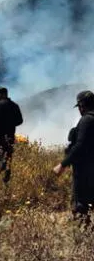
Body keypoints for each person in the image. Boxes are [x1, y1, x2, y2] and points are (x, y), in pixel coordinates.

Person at [54, 90, 94, 223]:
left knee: (81, 202)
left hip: (85, 169)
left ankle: (82, 234)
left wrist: (63, 164)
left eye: (80, 107)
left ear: (82, 105)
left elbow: (80, 146)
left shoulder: (87, 120)